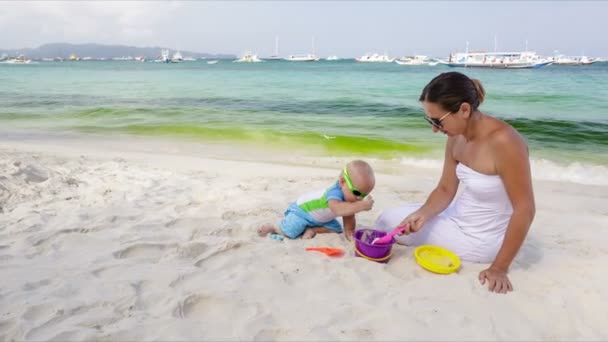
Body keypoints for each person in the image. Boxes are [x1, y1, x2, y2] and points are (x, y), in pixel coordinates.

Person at [375, 72, 535, 294]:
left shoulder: (505, 142)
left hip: (481, 237)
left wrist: (500, 267)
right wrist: (422, 214)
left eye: (437, 121)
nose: (433, 128)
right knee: (389, 219)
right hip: (456, 215)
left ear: (464, 110)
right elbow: (445, 188)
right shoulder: (455, 137)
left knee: (386, 224)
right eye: (429, 120)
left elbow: (525, 209)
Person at [258, 160, 375, 240]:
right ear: (343, 182)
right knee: (290, 233)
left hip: (319, 220)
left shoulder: (350, 198)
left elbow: (348, 216)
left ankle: (313, 230)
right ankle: (274, 227)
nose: (359, 198)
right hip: (302, 212)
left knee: (336, 229)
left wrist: (350, 234)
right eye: (357, 193)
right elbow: (338, 210)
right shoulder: (334, 193)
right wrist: (362, 206)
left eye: (363, 195)